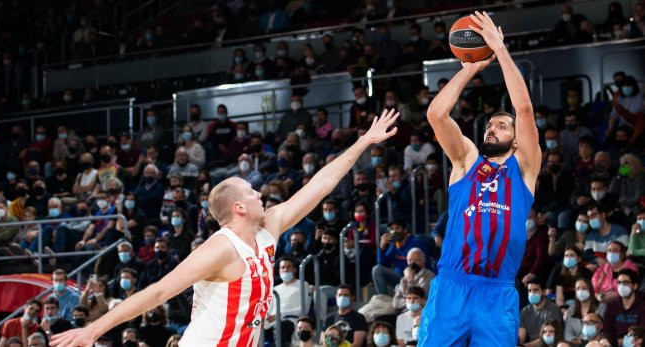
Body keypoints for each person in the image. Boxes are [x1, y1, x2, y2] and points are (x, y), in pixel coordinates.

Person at [51, 110, 398, 347]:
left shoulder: (270, 226)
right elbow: (158, 292)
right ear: (238, 207)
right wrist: (93, 329)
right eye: (251, 191)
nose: (259, 192)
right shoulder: (221, 248)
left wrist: (363, 142)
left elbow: (320, 185)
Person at [417, 12, 541, 346]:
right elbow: (436, 115)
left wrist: (499, 50)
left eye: (502, 125)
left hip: (497, 293)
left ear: (516, 142)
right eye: (490, 124)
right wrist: (470, 68)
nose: (492, 127)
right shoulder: (466, 161)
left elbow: (525, 109)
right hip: (452, 287)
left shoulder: (525, 168)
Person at [519, 277, 564, 346]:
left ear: (544, 292)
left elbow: (549, 337)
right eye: (529, 290)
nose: (532, 293)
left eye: (535, 290)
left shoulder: (553, 309)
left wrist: (527, 345)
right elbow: (521, 337)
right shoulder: (525, 311)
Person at [602, 269, 645, 341]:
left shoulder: (643, 306)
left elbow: (642, 331)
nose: (621, 286)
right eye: (619, 283)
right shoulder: (612, 306)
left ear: (635, 286)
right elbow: (607, 330)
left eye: (626, 283)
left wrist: (625, 341)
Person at [564, 278, 606, 345]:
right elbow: (568, 335)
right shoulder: (571, 310)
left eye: (584, 288)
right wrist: (576, 341)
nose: (580, 291)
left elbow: (603, 330)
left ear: (590, 290)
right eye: (578, 289)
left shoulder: (601, 307)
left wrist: (583, 339)